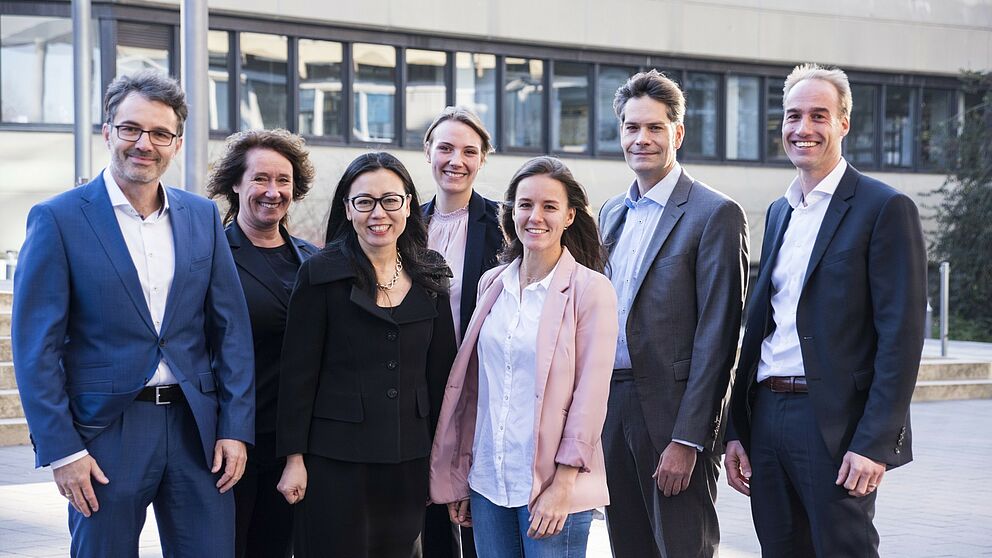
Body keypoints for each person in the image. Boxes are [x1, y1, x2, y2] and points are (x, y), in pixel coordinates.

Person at [11, 70, 254, 557]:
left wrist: (235, 428)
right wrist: (62, 450)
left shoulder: (202, 216)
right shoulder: (58, 218)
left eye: (160, 133)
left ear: (177, 144)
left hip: (197, 431)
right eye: (131, 129)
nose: (145, 144)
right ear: (108, 132)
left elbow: (231, 331)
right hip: (105, 435)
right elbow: (36, 349)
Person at [724, 63, 927, 558]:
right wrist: (737, 429)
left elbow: (901, 337)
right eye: (793, 115)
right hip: (767, 413)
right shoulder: (780, 211)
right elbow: (762, 325)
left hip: (833, 424)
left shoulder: (884, 208)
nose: (803, 128)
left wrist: (874, 442)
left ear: (843, 123)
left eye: (819, 115)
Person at [430, 156, 618, 558]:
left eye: (550, 206)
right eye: (525, 205)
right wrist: (463, 474)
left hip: (551, 487)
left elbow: (590, 397)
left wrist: (563, 484)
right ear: (511, 212)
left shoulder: (591, 290)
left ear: (569, 216)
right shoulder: (492, 283)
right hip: (487, 483)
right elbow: (476, 389)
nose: (536, 217)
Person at [275, 152, 457, 558]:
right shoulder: (320, 273)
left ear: (408, 205)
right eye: (365, 201)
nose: (379, 213)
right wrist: (293, 459)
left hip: (408, 458)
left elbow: (441, 375)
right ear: (348, 208)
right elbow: (298, 375)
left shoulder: (430, 273)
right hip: (334, 460)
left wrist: (444, 461)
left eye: (390, 200)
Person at [598, 69, 749, 558]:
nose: (641, 138)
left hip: (672, 418)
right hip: (612, 410)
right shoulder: (610, 213)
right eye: (631, 127)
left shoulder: (715, 214)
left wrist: (689, 438)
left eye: (654, 127)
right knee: (627, 547)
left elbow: (718, 340)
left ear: (677, 133)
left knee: (683, 548)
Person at [206, 129, 318, 558]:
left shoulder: (312, 259)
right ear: (235, 183)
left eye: (283, 180)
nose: (273, 191)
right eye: (260, 179)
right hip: (229, 441)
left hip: (292, 445)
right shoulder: (211, 253)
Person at [421, 105, 504, 558]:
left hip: (482, 390)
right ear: (428, 151)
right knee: (430, 522)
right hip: (419, 391)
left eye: (469, 151)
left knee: (476, 520)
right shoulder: (404, 224)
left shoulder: (504, 225)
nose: (457, 160)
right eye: (446, 148)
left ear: (482, 159)